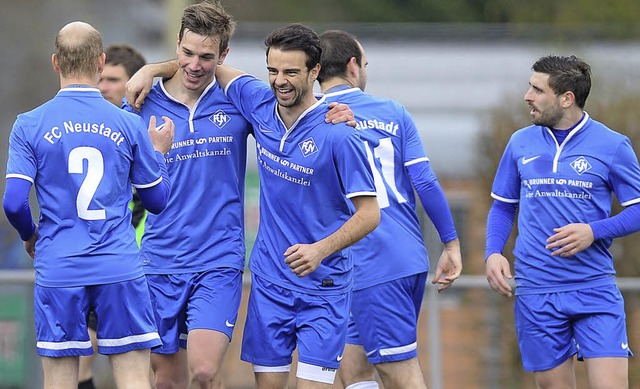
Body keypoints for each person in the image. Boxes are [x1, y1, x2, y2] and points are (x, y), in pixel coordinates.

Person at [123, 4, 358, 388]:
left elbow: (299, 110)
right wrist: (150, 70)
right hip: (158, 258)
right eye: (187, 53)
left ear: (223, 56)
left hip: (219, 258)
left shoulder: (241, 99)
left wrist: (347, 115)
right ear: (177, 44)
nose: (195, 65)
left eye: (207, 57)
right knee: (165, 379)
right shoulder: (142, 100)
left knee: (203, 370)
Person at [2, 21, 175, 389]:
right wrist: (158, 154)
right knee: (132, 377)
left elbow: (15, 202)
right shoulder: (128, 123)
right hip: (119, 266)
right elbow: (157, 201)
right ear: (100, 62)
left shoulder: (29, 124)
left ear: (55, 63)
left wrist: (31, 236)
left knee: (61, 379)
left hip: (60, 266)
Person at [316, 30, 463, 389]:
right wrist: (450, 243)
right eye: (365, 64)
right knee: (353, 369)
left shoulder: (311, 117)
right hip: (385, 259)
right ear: (353, 66)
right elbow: (425, 183)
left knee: (398, 372)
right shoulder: (392, 112)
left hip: (373, 260)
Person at [485, 54, 640, 388]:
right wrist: (493, 252)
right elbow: (502, 207)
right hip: (536, 290)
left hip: (593, 289)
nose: (528, 96)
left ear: (567, 98)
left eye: (537, 90)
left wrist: (593, 231)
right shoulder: (519, 142)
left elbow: (638, 209)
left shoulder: (613, 145)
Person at [74, 43, 150, 389]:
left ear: (135, 84)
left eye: (113, 80)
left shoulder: (148, 129)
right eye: (100, 79)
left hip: (145, 265)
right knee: (81, 357)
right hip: (96, 259)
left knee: (149, 366)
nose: (102, 87)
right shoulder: (83, 130)